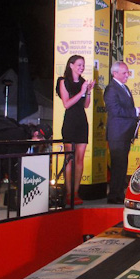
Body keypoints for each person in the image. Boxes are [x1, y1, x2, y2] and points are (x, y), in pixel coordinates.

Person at [103, 61, 140, 205]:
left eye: (127, 72)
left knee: (122, 165)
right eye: (124, 73)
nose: (127, 75)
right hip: (117, 133)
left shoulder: (125, 88)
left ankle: (119, 193)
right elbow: (115, 110)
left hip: (126, 133)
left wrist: (138, 115)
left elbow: (126, 111)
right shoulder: (111, 89)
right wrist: (136, 110)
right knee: (118, 165)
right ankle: (113, 195)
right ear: (114, 73)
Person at [56, 55, 94, 206]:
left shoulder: (83, 82)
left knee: (80, 159)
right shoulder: (63, 81)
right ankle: (68, 192)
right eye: (79, 65)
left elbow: (86, 105)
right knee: (69, 159)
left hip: (82, 122)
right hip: (70, 122)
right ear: (71, 65)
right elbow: (66, 104)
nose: (81, 67)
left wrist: (88, 91)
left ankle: (76, 192)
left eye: (83, 65)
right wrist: (81, 91)